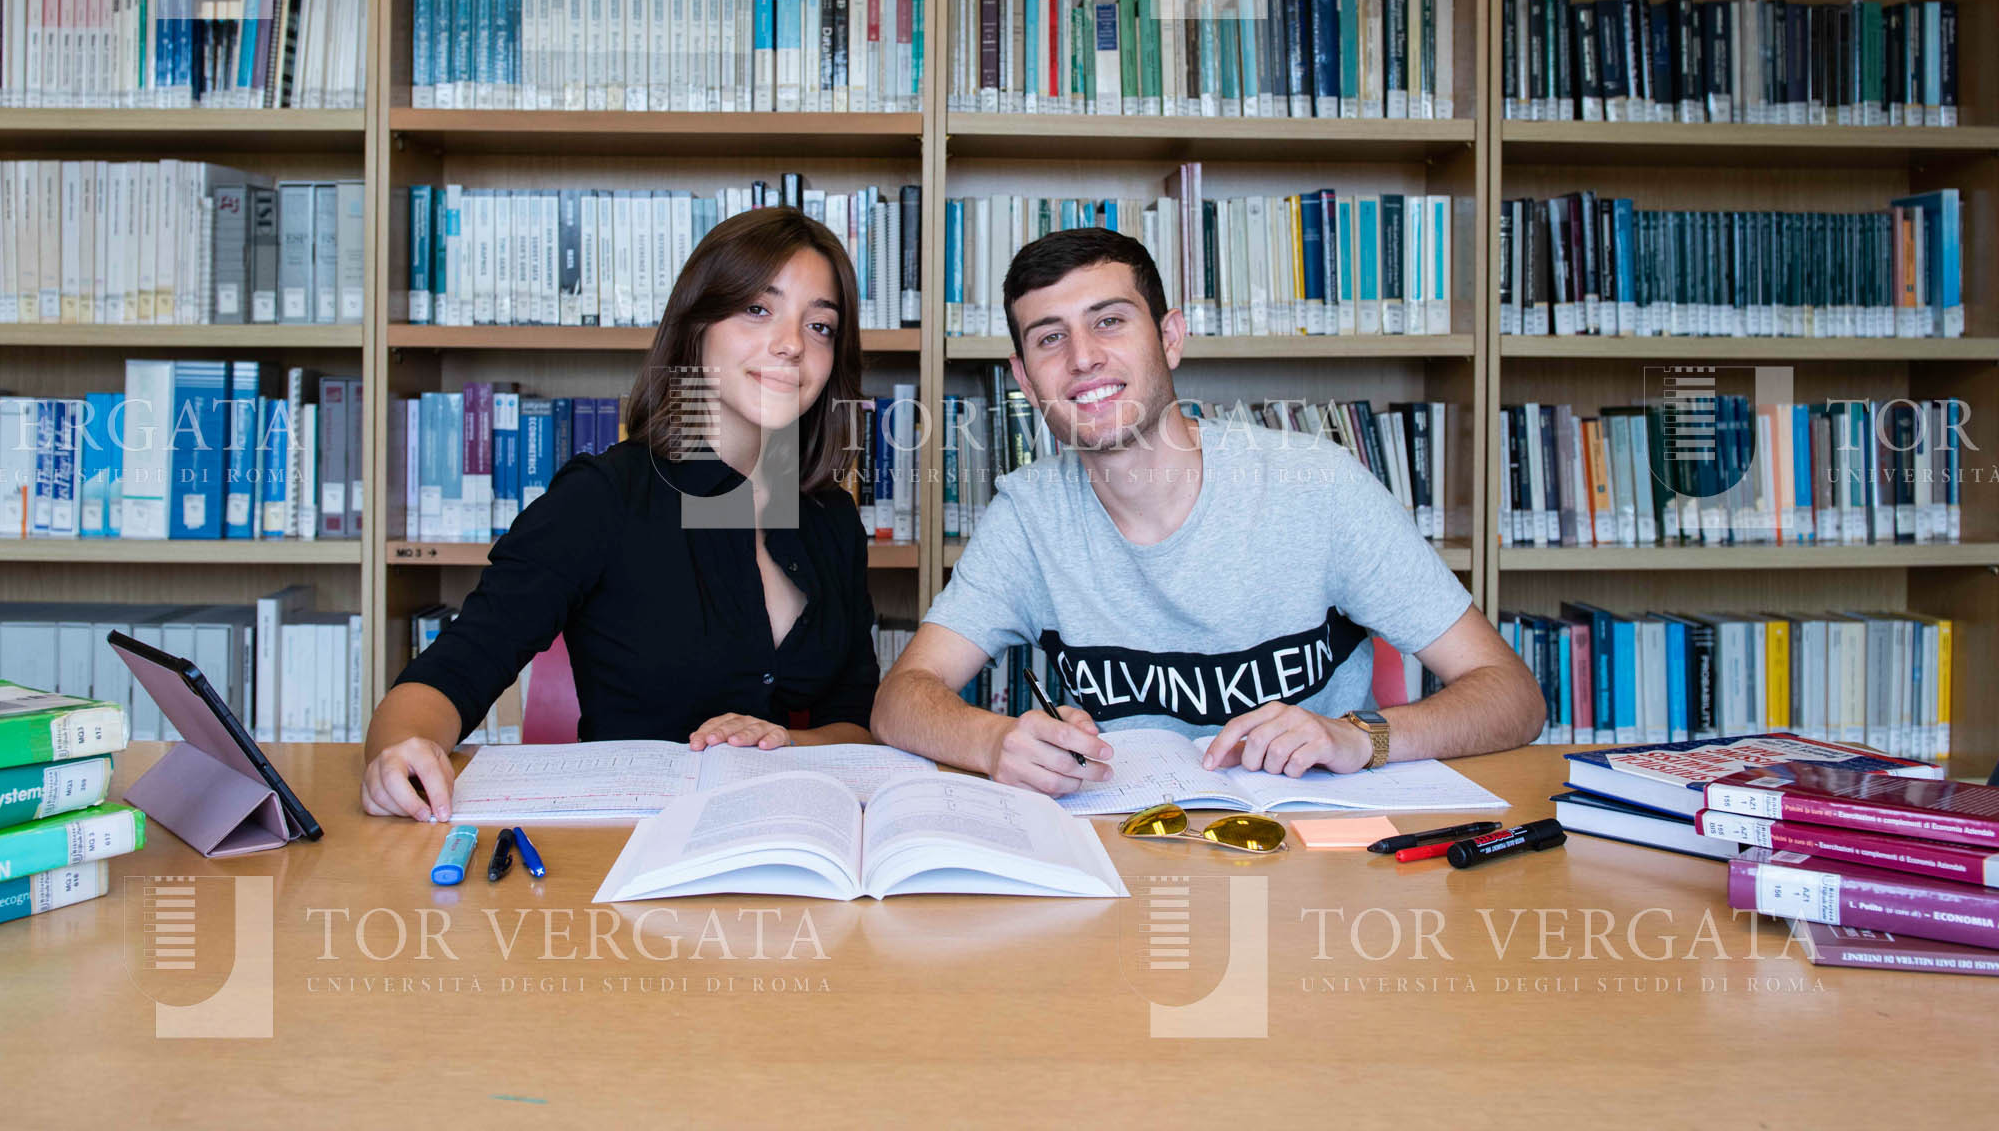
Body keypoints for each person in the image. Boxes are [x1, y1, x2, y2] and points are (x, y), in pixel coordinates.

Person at [872, 227, 1544, 795]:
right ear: (1025, 379)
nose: (1082, 358)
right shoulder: (1029, 514)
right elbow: (901, 697)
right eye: (1050, 338)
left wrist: (1356, 736)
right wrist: (994, 741)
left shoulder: (1317, 485)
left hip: (1315, 860)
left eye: (1109, 321)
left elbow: (1512, 695)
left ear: (1169, 338)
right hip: (1127, 852)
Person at [362, 206, 882, 821]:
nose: (792, 344)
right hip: (619, 852)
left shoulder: (828, 517)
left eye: (820, 327)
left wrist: (786, 743)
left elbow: (856, 724)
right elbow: (450, 674)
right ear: (696, 328)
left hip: (787, 842)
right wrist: (400, 755)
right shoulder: (602, 498)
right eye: (758, 309)